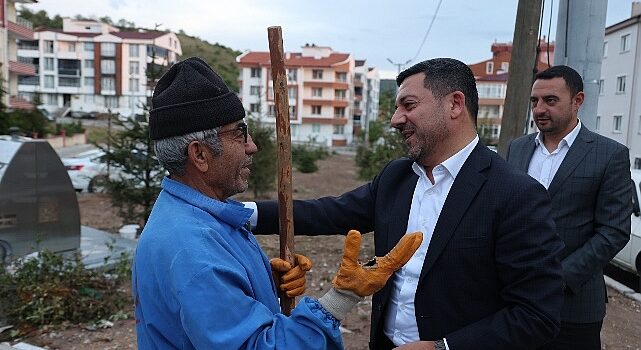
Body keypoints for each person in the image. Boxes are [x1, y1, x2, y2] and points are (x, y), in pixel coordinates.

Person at [249, 58, 565, 349]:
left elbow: (537, 315)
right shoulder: (396, 178)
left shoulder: (515, 194)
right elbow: (326, 213)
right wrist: (238, 213)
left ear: (455, 104)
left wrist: (443, 348)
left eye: (408, 105)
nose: (395, 119)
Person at [132, 57, 424, 350]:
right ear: (200, 155)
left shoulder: (190, 219)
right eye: (239, 133)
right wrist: (341, 297)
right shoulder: (193, 249)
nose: (252, 146)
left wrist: (259, 283)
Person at [506, 65, 631, 350]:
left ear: (578, 101)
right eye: (535, 101)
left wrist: (559, 278)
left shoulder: (609, 155)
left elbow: (613, 231)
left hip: (574, 305)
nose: (539, 109)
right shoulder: (518, 149)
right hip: (514, 299)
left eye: (551, 101)